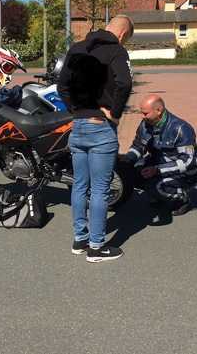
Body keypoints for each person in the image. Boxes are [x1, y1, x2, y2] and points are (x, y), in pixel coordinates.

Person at [58, 15, 134, 263]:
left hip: (78, 125)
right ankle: (97, 247)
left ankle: (79, 240)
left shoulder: (77, 48)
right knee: (100, 189)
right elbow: (124, 82)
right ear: (122, 34)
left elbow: (62, 87)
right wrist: (115, 113)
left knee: (80, 184)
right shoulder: (117, 51)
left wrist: (76, 109)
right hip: (101, 127)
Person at [124, 94, 197, 217]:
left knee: (160, 186)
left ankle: (183, 199)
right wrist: (127, 160)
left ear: (159, 111)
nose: (142, 116)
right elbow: (138, 145)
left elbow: (188, 162)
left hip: (185, 172)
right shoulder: (145, 124)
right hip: (158, 163)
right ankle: (156, 194)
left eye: (145, 113)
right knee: (131, 172)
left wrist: (157, 170)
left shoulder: (181, 129)